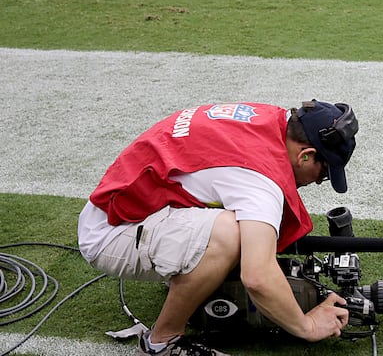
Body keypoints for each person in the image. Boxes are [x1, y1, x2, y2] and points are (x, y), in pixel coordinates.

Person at [77, 100, 358, 356]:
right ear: (306, 155)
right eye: (324, 173)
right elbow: (257, 276)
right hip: (111, 233)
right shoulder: (260, 180)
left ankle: (188, 279)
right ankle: (162, 342)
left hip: (125, 204)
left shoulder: (273, 118)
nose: (319, 182)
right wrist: (307, 325)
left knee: (244, 232)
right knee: (231, 235)